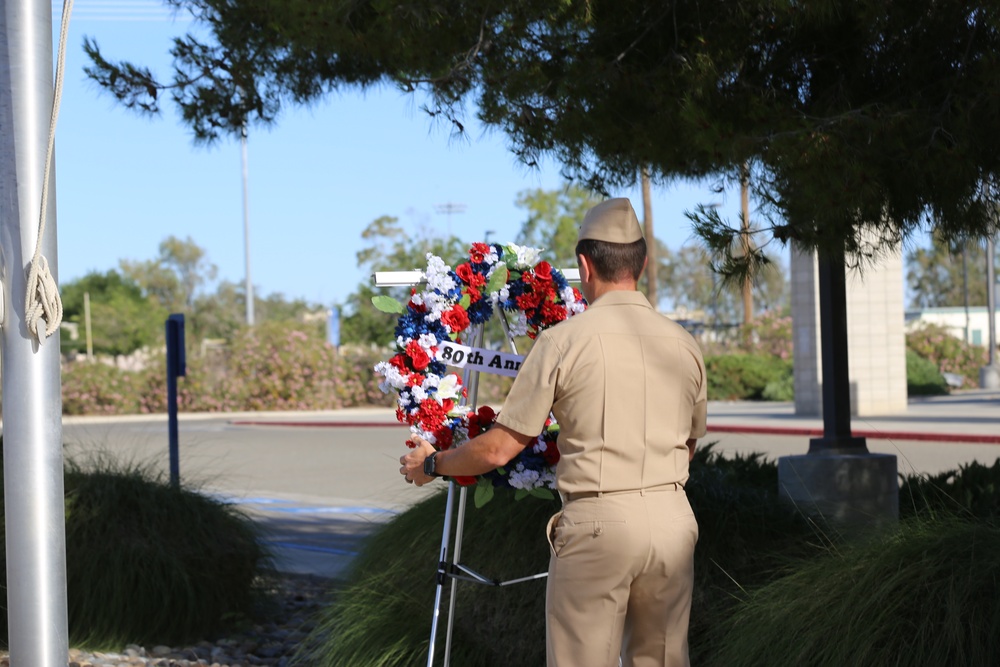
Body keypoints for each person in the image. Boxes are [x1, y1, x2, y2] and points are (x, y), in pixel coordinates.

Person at [400, 197, 707, 667]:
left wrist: (433, 464)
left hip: (601, 525)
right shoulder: (685, 345)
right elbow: (688, 443)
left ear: (584, 265)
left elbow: (501, 448)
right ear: (642, 264)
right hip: (673, 520)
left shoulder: (564, 340)